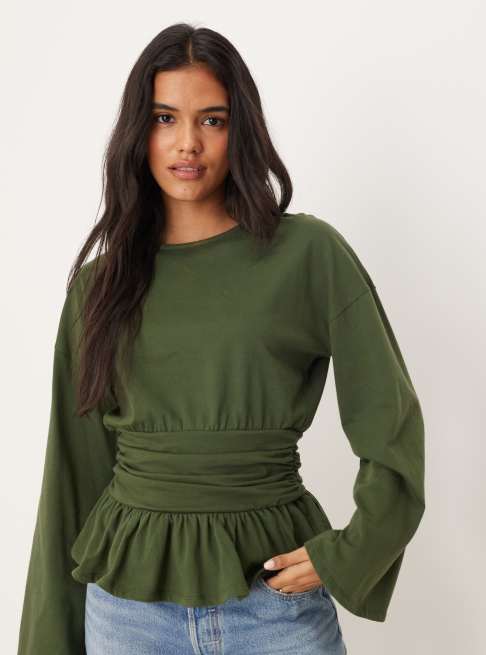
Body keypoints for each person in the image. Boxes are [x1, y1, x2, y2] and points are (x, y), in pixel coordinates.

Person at [17, 23, 425, 655]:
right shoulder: (101, 285)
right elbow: (72, 478)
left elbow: (390, 420)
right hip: (126, 615)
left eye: (212, 120)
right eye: (165, 118)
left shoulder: (308, 254)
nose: (188, 142)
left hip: (274, 605)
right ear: (138, 132)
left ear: (242, 131)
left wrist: (353, 552)